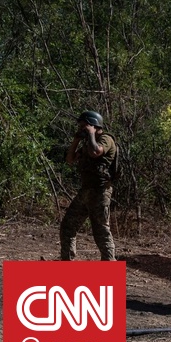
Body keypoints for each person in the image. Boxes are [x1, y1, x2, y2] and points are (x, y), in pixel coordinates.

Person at [60, 110, 118, 261]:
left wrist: (91, 134)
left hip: (100, 192)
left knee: (101, 232)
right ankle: (67, 263)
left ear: (93, 125)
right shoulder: (87, 143)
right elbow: (70, 159)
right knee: (68, 226)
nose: (81, 129)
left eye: (84, 126)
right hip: (86, 191)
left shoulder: (106, 139)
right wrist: (76, 140)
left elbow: (96, 152)